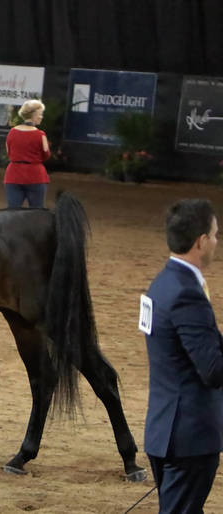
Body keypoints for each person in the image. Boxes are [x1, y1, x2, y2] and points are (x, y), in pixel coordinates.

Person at [143, 199, 223, 513]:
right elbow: (213, 370)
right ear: (200, 242)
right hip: (189, 439)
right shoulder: (187, 293)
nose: (216, 242)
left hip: (165, 429)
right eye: (215, 235)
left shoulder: (161, 284)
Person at [4, 99, 50, 208]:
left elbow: (9, 152)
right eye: (40, 114)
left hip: (13, 175)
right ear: (34, 115)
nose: (41, 117)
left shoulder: (12, 132)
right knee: (37, 211)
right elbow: (46, 155)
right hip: (35, 176)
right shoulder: (40, 135)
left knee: (12, 211)